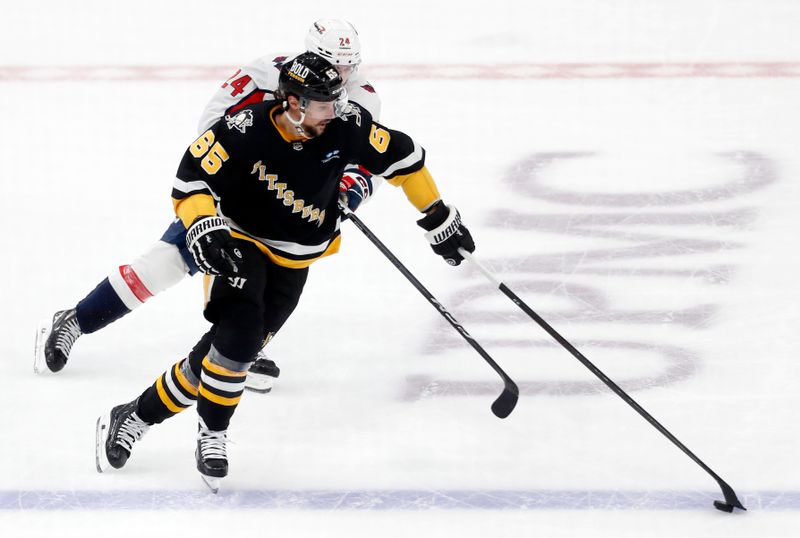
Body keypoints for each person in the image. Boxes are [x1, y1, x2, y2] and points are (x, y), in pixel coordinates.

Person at [95, 52, 476, 493]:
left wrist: (437, 215)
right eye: (322, 103)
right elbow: (191, 176)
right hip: (242, 243)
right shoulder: (247, 129)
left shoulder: (345, 125)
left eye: (336, 100)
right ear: (293, 102)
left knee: (220, 358)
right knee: (237, 345)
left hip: (297, 257)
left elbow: (405, 159)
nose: (334, 110)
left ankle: (136, 414)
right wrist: (202, 221)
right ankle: (212, 434)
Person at [34, 19, 381, 393]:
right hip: (238, 191)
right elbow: (213, 129)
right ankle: (76, 320)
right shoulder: (264, 73)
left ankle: (240, 349)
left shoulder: (362, 97)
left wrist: (348, 190)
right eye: (335, 65)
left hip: (291, 209)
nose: (343, 76)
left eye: (349, 66)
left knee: (270, 284)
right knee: (165, 265)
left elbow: (365, 158)